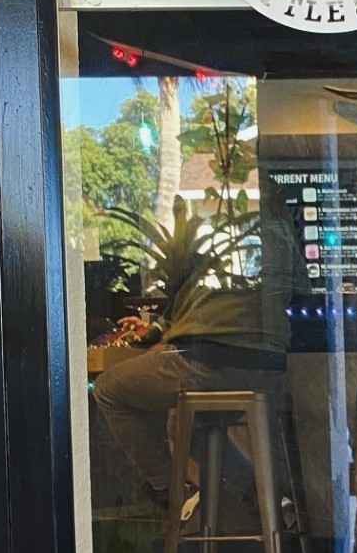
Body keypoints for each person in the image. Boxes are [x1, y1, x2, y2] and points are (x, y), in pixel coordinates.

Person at [94, 215, 293, 520]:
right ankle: (264, 496)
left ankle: (168, 490)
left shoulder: (194, 275)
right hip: (272, 368)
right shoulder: (252, 269)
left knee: (109, 389)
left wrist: (159, 333)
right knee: (185, 423)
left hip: (213, 361)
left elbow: (178, 334)